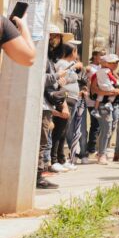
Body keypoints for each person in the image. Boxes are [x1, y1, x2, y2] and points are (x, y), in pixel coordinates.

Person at [51, 43, 82, 172]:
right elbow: (62, 79)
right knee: (59, 130)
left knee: (64, 130)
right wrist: (73, 67)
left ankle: (61, 159)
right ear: (72, 51)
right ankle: (54, 160)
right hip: (65, 99)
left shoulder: (67, 64)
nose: (77, 54)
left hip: (71, 99)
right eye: (76, 51)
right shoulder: (63, 63)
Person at [91, 53, 119, 165]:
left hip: (114, 105)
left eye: (116, 63)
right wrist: (112, 91)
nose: (115, 65)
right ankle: (101, 154)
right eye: (113, 63)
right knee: (106, 128)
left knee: (111, 128)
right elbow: (95, 90)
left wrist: (114, 91)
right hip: (103, 104)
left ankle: (102, 150)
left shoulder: (116, 75)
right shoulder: (98, 74)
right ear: (106, 63)